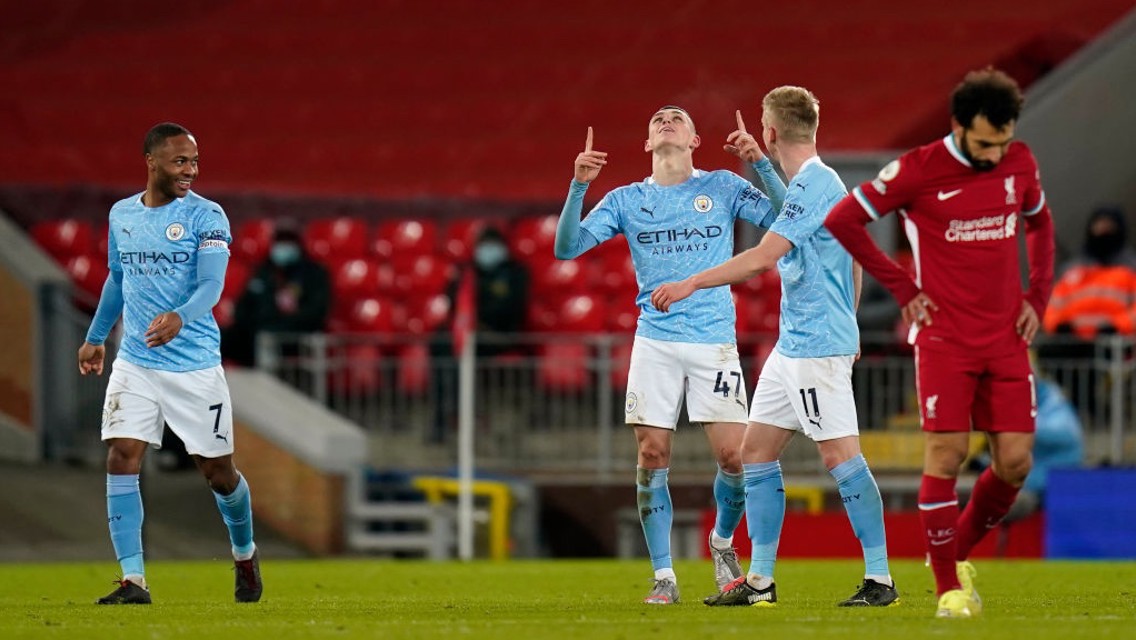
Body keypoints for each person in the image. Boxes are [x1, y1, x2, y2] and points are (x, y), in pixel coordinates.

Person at [652, 87, 897, 608]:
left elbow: (765, 256)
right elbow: (853, 251)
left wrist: (693, 282)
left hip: (817, 348)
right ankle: (760, 582)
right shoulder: (816, 186)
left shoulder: (816, 184)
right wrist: (850, 318)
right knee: (754, 452)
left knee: (839, 456)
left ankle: (880, 579)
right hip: (793, 346)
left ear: (769, 129)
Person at [825, 68, 1055, 618]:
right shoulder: (918, 168)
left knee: (1016, 463)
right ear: (958, 125)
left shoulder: (1019, 160)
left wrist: (1037, 297)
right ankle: (950, 588)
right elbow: (845, 219)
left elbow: (1040, 224)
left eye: (1002, 143)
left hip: (1005, 337)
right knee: (947, 454)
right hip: (945, 338)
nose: (994, 155)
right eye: (983, 144)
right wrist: (905, 288)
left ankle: (951, 556)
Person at [555, 106, 783, 604]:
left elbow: (790, 220)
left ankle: (722, 542)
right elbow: (567, 248)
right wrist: (579, 186)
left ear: (695, 138)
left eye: (676, 118)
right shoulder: (626, 199)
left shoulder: (722, 186)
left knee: (734, 457)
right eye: (657, 119)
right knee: (652, 453)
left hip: (712, 339)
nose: (665, 121)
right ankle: (664, 577)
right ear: (646, 144)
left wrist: (760, 162)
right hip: (655, 341)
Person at [77, 122, 262, 605]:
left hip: (194, 366)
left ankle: (244, 553)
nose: (191, 171)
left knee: (218, 473)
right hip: (136, 361)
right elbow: (118, 279)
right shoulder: (122, 214)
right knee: (121, 456)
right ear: (151, 160)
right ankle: (133, 581)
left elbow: (212, 287)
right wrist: (96, 338)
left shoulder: (207, 216)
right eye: (181, 161)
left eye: (195, 162)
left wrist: (181, 316)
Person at [429, 225, 530, 443]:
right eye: (484, 246)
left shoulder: (515, 273)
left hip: (499, 337)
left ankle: (458, 413)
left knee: (454, 352)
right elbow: (455, 302)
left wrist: (482, 318)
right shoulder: (467, 272)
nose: (488, 251)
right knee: (441, 344)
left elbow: (511, 309)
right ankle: (446, 415)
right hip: (470, 336)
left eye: (493, 246)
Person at [222, 226, 331, 368]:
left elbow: (316, 311)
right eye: (280, 243)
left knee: (267, 339)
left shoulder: (313, 274)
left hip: (292, 332)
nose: (283, 248)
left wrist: (282, 322)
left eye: (288, 243)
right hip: (256, 330)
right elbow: (244, 305)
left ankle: (268, 384)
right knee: (221, 337)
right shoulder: (263, 272)